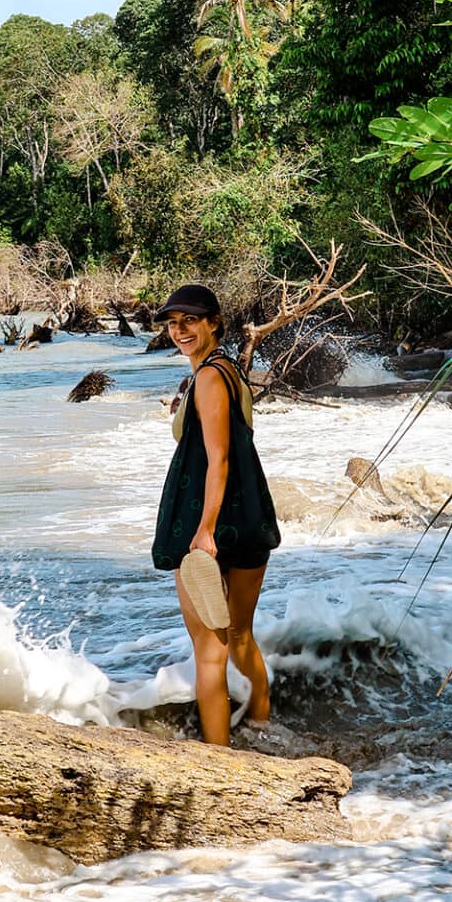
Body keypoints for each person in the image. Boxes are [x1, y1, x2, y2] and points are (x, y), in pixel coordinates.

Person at [151, 283, 281, 744]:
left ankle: (218, 763)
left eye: (189, 320)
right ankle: (263, 721)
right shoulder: (228, 372)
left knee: (209, 650)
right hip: (249, 517)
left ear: (214, 323)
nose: (179, 329)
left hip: (207, 524)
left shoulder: (207, 378)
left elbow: (218, 457)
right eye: (172, 322)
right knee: (240, 636)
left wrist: (204, 530)